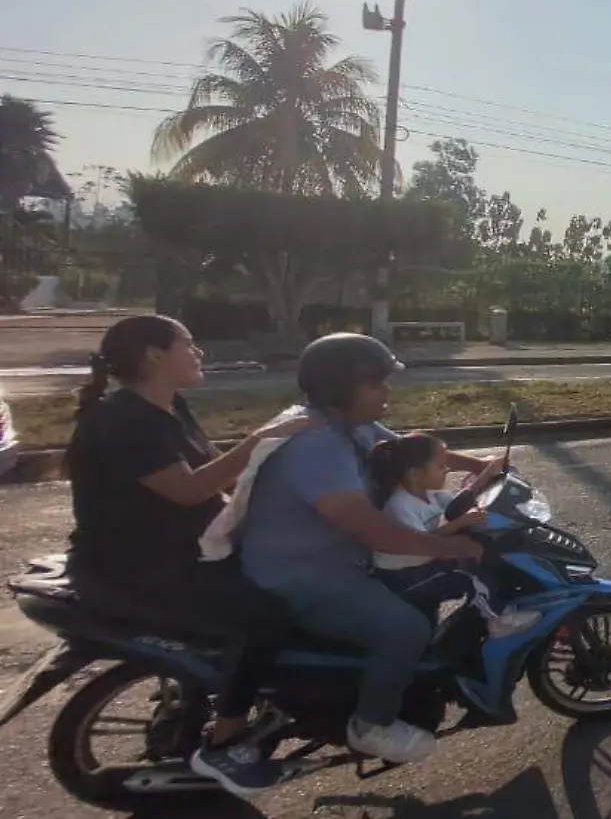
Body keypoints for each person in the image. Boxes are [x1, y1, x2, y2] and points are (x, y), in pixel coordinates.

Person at [63, 315, 313, 798]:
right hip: (139, 570)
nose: (198, 353)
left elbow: (213, 475)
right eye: (189, 343)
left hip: (182, 552)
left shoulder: (166, 407)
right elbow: (189, 490)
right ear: (155, 356)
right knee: (269, 614)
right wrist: (261, 439)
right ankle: (227, 739)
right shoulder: (124, 420)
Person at [236, 334, 488, 766]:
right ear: (344, 388)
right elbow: (376, 532)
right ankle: (372, 724)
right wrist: (453, 546)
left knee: (418, 592)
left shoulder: (350, 425)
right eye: (376, 383)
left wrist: (482, 468)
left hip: (332, 560)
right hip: (305, 576)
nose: (386, 391)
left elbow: (413, 452)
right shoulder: (318, 444)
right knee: (406, 628)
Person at [368, 433, 502, 625]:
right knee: (471, 572)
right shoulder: (400, 505)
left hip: (422, 565)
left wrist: (487, 474)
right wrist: (459, 523)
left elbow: (460, 503)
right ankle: (496, 621)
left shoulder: (432, 495)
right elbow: (421, 543)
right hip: (403, 576)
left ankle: (476, 619)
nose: (447, 470)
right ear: (415, 474)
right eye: (440, 467)